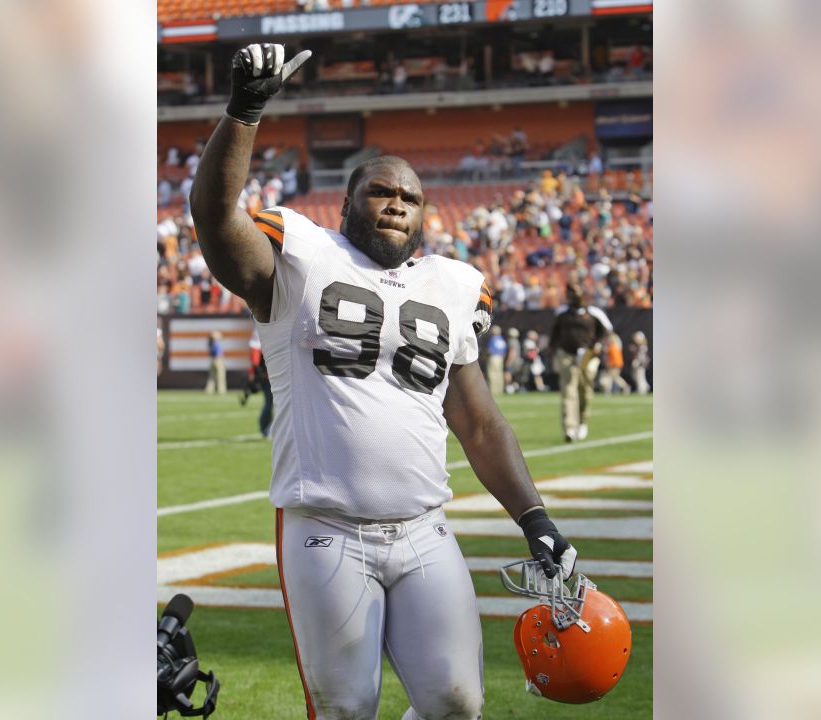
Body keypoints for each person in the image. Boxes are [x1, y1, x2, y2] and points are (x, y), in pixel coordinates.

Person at [189, 43, 577, 720]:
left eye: (410, 198)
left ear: (425, 216)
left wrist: (534, 517)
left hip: (425, 529)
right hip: (326, 530)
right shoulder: (303, 259)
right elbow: (215, 221)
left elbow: (479, 421)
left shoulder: (451, 286)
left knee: (457, 704)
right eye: (380, 191)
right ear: (344, 207)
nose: (396, 204)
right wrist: (244, 113)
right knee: (345, 710)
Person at [550, 283, 613, 441]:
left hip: (588, 355)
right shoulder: (562, 313)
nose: (573, 296)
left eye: (576, 293)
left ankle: (583, 421)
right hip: (567, 354)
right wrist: (553, 350)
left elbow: (607, 332)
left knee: (585, 390)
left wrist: (597, 346)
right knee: (568, 390)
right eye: (571, 293)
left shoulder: (594, 313)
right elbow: (554, 334)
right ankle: (569, 428)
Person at [484, 325, 507, 395]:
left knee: (492, 374)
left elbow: (489, 350)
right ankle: (500, 390)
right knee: (499, 374)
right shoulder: (502, 339)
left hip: (493, 357)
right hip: (500, 358)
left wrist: (485, 355)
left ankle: (493, 391)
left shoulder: (493, 339)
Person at [631, 330, 651, 394]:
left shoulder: (642, 346)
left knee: (640, 377)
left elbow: (641, 357)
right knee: (637, 376)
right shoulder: (639, 346)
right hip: (640, 363)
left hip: (641, 364)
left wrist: (637, 362)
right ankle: (645, 386)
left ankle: (642, 390)